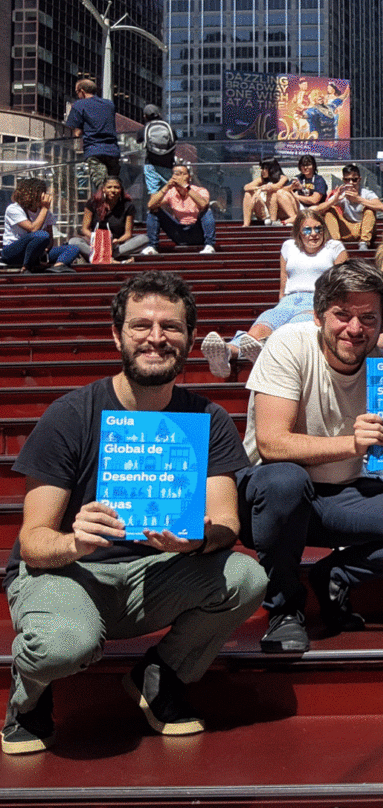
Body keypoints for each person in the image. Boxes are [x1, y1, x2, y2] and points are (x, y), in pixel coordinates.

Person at [4, 272, 267, 754]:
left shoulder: (205, 419)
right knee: (63, 644)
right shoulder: (72, 415)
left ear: (189, 338)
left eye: (171, 326)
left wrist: (200, 538)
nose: (156, 338)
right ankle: (29, 697)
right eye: (140, 325)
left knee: (246, 577)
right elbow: (34, 543)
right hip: (70, 573)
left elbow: (227, 522)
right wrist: (73, 541)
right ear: (117, 334)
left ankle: (161, 674)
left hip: (155, 574)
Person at [237, 261, 383, 654]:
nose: (355, 328)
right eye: (342, 315)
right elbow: (272, 445)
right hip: (269, 499)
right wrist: (353, 444)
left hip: (339, 495)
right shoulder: (290, 342)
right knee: (285, 481)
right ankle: (284, 610)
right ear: (318, 315)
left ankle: (337, 574)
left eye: (368, 318)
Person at [201, 210, 348, 379]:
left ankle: (264, 351)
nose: (313, 234)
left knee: (291, 330)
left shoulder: (335, 248)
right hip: (289, 300)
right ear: (299, 232)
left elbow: (342, 284)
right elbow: (283, 281)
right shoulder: (288, 246)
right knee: (259, 328)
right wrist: (281, 303)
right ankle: (227, 352)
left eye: (318, 229)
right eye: (307, 230)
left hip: (316, 301)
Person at [3, 178, 83, 272]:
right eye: (41, 193)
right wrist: (45, 208)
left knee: (73, 248)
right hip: (13, 252)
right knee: (41, 235)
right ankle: (27, 266)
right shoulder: (14, 209)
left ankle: (58, 266)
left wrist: (45, 250)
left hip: (37, 254)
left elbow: (50, 239)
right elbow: (33, 229)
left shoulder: (46, 213)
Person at [143, 163, 217, 255]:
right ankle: (152, 246)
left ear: (189, 177)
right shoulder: (171, 192)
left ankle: (209, 245)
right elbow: (150, 205)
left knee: (207, 210)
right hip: (179, 232)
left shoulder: (200, 190)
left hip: (197, 231)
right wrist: (166, 186)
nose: (179, 177)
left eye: (182, 174)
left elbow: (203, 204)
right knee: (154, 211)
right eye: (176, 174)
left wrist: (186, 187)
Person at [76, 177, 149, 260]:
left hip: (116, 245)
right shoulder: (92, 203)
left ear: (121, 189)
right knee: (74, 242)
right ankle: (103, 255)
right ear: (103, 189)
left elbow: (128, 234)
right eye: (109, 187)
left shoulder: (128, 206)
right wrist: (95, 238)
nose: (113, 190)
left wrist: (117, 241)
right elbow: (84, 229)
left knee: (144, 239)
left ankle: (104, 256)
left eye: (116, 187)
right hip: (96, 243)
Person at [64, 77, 120, 185]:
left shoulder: (79, 105)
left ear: (82, 91)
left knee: (102, 188)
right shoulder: (109, 104)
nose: (77, 96)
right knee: (113, 186)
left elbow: (76, 132)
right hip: (113, 150)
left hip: (94, 150)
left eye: (77, 92)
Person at [316, 163, 382, 250]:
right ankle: (336, 243)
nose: (351, 183)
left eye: (354, 179)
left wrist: (358, 199)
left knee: (370, 210)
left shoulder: (366, 193)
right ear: (343, 180)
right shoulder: (341, 194)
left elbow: (381, 207)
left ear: (359, 179)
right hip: (347, 230)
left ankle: (364, 242)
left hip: (364, 230)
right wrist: (334, 200)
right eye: (347, 180)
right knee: (330, 210)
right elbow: (317, 210)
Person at [242, 157, 296, 227]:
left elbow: (277, 186)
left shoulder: (282, 178)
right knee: (248, 194)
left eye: (265, 168)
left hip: (279, 212)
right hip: (265, 212)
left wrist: (266, 187)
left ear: (272, 169)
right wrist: (258, 189)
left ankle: (273, 221)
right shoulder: (261, 180)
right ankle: (246, 224)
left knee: (273, 193)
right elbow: (246, 187)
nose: (262, 171)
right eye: (262, 168)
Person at [139, 105, 178, 197]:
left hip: (151, 164)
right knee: (170, 193)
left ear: (145, 116)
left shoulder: (145, 128)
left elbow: (138, 139)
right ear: (159, 114)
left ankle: (155, 210)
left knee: (154, 192)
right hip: (168, 164)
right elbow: (175, 140)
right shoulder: (168, 127)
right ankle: (168, 210)